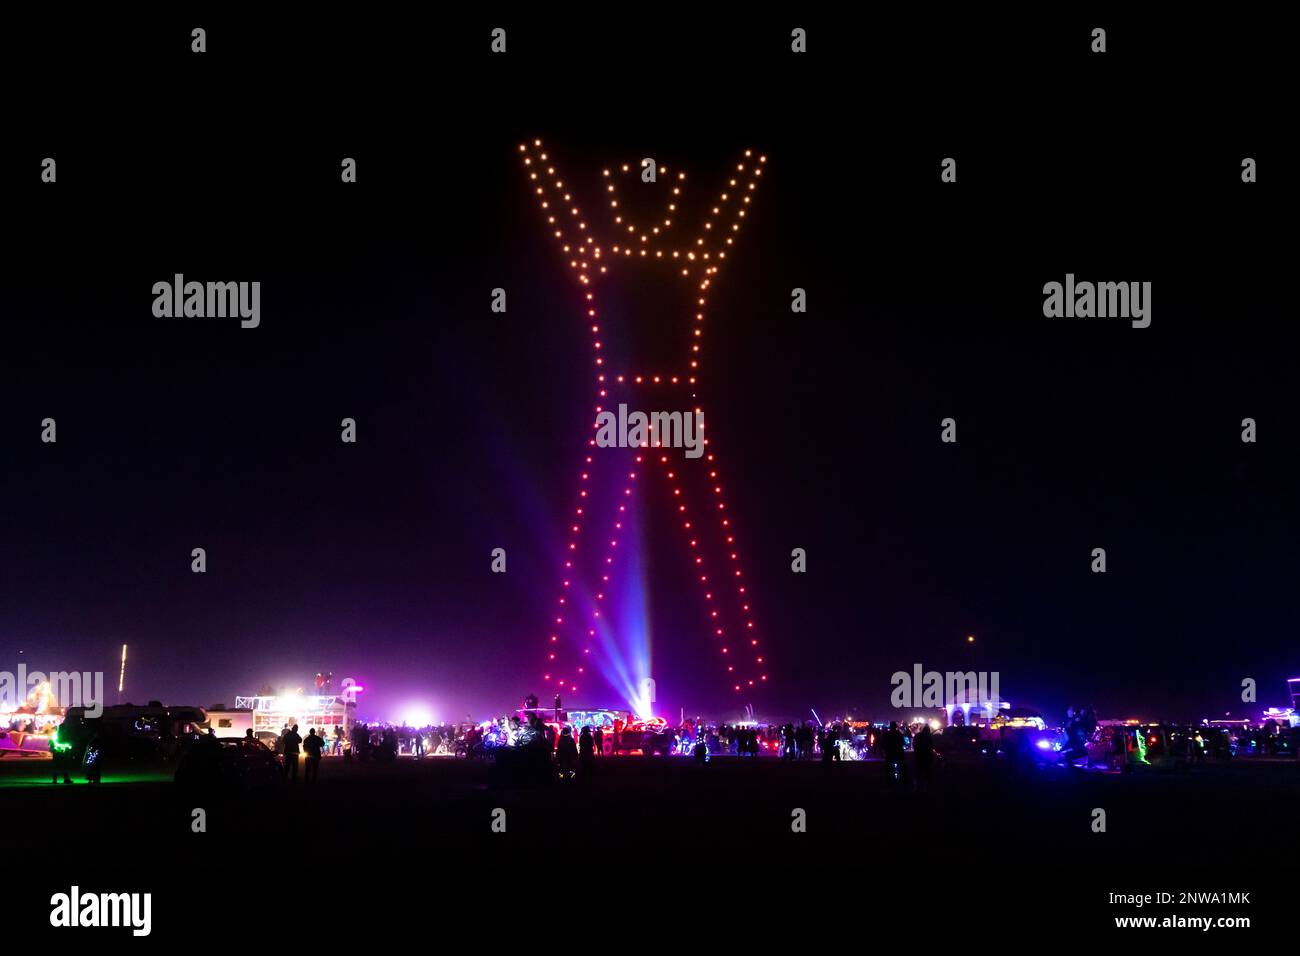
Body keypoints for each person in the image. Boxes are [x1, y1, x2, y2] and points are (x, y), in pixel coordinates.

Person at [913, 724, 934, 790]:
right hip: (927, 755)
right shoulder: (930, 736)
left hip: (919, 755)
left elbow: (914, 744)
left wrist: (916, 751)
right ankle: (928, 785)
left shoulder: (918, 735)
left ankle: (918, 785)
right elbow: (932, 745)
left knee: (919, 770)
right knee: (928, 770)